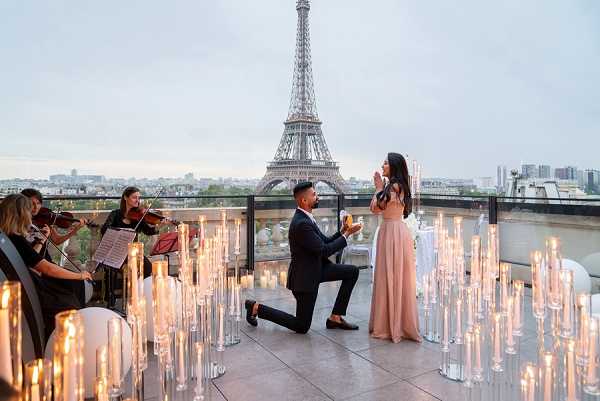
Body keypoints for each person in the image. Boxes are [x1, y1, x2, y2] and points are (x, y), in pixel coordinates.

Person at [244, 182, 362, 333]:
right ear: (304, 201)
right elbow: (325, 251)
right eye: (314, 194)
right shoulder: (301, 224)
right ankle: (256, 308)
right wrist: (347, 235)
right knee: (301, 326)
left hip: (317, 268)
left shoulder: (306, 218)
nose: (317, 196)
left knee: (352, 272)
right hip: (305, 277)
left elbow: (324, 242)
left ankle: (335, 317)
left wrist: (342, 230)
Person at [0, 194, 92, 338]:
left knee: (72, 285)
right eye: (29, 209)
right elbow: (45, 268)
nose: (32, 213)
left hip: (26, 279)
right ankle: (71, 335)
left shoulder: (9, 236)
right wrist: (80, 275)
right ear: (21, 213)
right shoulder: (16, 238)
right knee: (71, 291)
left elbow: (30, 260)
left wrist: (41, 241)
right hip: (30, 284)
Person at [369, 153, 421, 342]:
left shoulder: (393, 187)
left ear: (393, 166)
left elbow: (376, 208)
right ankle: (397, 322)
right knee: (397, 276)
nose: (382, 165)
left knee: (388, 275)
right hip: (397, 231)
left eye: (385, 163)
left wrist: (378, 187)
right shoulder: (400, 186)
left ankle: (390, 325)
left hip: (391, 231)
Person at [21, 188, 87, 305]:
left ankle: (78, 312)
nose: (36, 208)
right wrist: (42, 239)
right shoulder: (21, 226)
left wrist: (75, 230)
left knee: (77, 283)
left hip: (46, 261)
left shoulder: (43, 221)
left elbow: (57, 240)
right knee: (74, 283)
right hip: (38, 266)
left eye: (38, 203)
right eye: (31, 204)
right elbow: (30, 256)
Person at [100, 186, 161, 278]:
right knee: (131, 270)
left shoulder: (139, 216)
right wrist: (121, 232)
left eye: (138, 198)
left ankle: (141, 291)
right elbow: (104, 230)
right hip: (117, 253)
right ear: (125, 197)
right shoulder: (115, 214)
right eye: (134, 197)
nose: (137, 200)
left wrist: (158, 225)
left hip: (134, 253)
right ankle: (130, 289)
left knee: (148, 268)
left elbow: (148, 231)